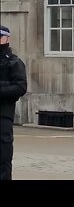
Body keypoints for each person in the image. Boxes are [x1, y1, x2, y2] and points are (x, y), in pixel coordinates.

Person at [0, 25, 27, 180]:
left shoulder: (14, 62)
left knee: (3, 157)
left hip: (3, 114)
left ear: (7, 39)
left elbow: (20, 87)